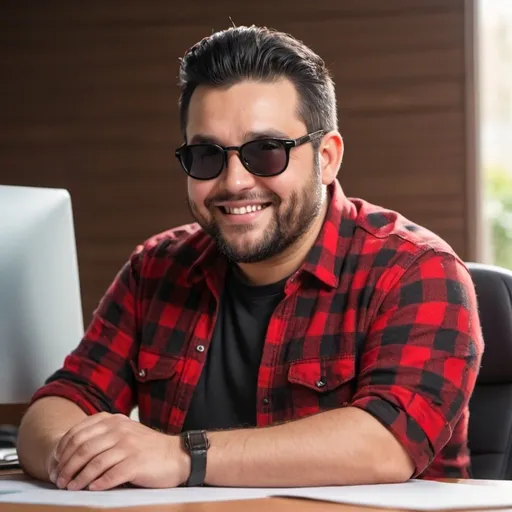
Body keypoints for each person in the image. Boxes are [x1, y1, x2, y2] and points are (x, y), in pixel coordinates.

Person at [17, 25, 484, 491]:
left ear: (327, 157)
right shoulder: (155, 269)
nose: (235, 182)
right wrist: (77, 454)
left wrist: (180, 456)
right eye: (207, 155)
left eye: (266, 151)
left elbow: (385, 444)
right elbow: (61, 403)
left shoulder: (416, 271)